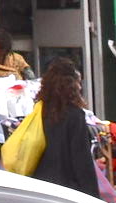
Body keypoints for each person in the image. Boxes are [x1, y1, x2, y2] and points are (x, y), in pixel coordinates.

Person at [31, 58, 101, 195]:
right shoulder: (75, 116)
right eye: (78, 83)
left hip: (40, 188)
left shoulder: (39, 112)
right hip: (67, 192)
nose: (80, 88)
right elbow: (81, 161)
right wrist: (94, 197)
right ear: (71, 86)